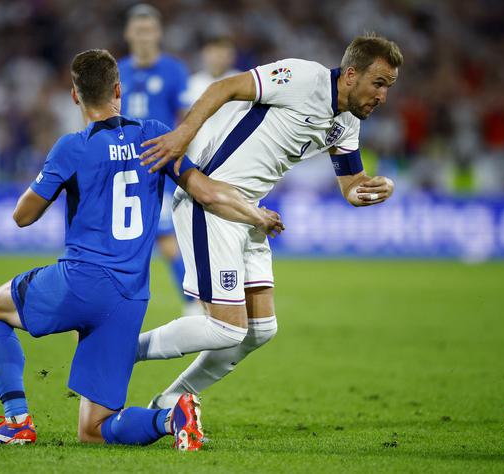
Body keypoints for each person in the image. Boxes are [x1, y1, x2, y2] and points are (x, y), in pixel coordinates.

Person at [0, 49, 283, 449]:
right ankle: (172, 418)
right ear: (119, 89)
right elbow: (206, 192)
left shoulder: (72, 147)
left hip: (80, 282)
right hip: (128, 298)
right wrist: (254, 214)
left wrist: (53, 174)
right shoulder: (154, 135)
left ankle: (17, 422)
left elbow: (23, 216)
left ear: (74, 96)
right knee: (93, 431)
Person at [134, 33, 402, 410]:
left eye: (388, 87)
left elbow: (350, 185)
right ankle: (118, 351)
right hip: (212, 203)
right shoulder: (301, 77)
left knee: (260, 330)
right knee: (225, 327)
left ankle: (171, 401)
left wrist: (369, 190)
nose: (383, 97)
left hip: (250, 212)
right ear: (350, 75)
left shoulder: (348, 122)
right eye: (378, 84)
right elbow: (224, 87)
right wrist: (182, 136)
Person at [118, 4, 197, 313]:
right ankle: (107, 309)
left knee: (166, 241)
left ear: (159, 33)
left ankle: (193, 305)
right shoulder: (118, 71)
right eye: (139, 30)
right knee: (122, 244)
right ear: (128, 33)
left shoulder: (174, 70)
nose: (145, 37)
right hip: (123, 169)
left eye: (150, 30)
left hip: (160, 168)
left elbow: (186, 119)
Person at [184, 35, 240, 159]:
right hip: (198, 153)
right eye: (214, 52)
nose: (218, 58)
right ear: (204, 54)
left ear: (232, 56)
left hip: (232, 155)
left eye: (224, 53)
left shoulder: (241, 81)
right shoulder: (192, 83)